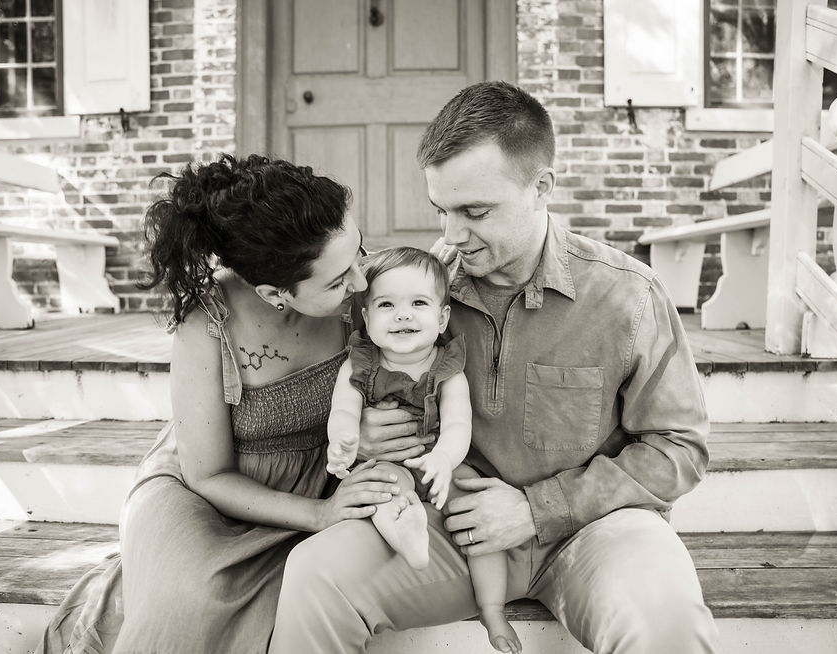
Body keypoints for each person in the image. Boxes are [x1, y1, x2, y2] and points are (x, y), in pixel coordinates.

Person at [270, 81, 718, 653]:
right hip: (450, 526)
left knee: (667, 622)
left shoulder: (627, 295)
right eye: (441, 210)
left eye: (474, 211)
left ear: (541, 188)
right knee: (314, 575)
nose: (452, 235)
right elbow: (361, 383)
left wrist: (536, 509)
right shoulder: (419, 294)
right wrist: (363, 433)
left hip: (597, 531)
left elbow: (679, 448)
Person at [36, 154, 404, 654]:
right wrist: (318, 515)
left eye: (358, 252)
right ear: (276, 292)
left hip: (322, 477)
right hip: (207, 492)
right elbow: (207, 474)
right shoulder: (206, 323)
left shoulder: (365, 286)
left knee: (318, 594)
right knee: (195, 596)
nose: (361, 282)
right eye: (338, 282)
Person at [326, 246, 520, 653]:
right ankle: (408, 534)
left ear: (442, 317)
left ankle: (492, 609)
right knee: (383, 488)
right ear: (365, 316)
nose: (403, 314)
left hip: (440, 460)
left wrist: (444, 460)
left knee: (477, 513)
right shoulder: (360, 363)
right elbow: (344, 409)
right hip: (388, 461)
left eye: (418, 303)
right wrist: (342, 441)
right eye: (386, 304)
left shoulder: (447, 368)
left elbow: (457, 424)